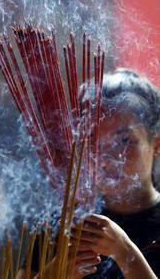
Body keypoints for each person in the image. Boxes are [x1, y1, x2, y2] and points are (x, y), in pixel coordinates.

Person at [17, 68, 160, 279]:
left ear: (156, 144)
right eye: (95, 144)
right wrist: (53, 274)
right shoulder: (62, 224)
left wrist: (124, 252)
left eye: (124, 141)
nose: (108, 158)